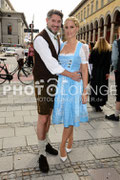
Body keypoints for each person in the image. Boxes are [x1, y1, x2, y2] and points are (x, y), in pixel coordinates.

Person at [33, 9, 81, 173]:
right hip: (43, 83)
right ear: (47, 21)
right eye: (53, 21)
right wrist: (72, 75)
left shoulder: (57, 38)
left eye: (58, 22)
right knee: (43, 117)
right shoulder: (40, 39)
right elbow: (53, 65)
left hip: (56, 83)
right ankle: (41, 153)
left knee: (50, 115)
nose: (56, 24)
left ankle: (45, 143)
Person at [52, 17, 88, 161]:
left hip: (74, 87)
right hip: (61, 85)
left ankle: (62, 146)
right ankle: (70, 140)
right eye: (66, 27)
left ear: (77, 28)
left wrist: (85, 91)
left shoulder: (82, 47)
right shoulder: (60, 45)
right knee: (69, 115)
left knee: (70, 115)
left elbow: (84, 70)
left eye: (71, 27)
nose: (68, 30)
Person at [89, 37, 111, 112]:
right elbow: (108, 63)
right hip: (103, 73)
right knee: (102, 88)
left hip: (95, 72)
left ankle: (95, 103)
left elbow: (90, 61)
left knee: (95, 88)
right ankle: (100, 103)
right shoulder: (107, 51)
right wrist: (108, 72)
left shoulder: (94, 50)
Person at [105, 26, 120, 121]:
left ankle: (116, 115)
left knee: (119, 93)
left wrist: (114, 68)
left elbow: (114, 58)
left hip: (119, 69)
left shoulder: (117, 42)